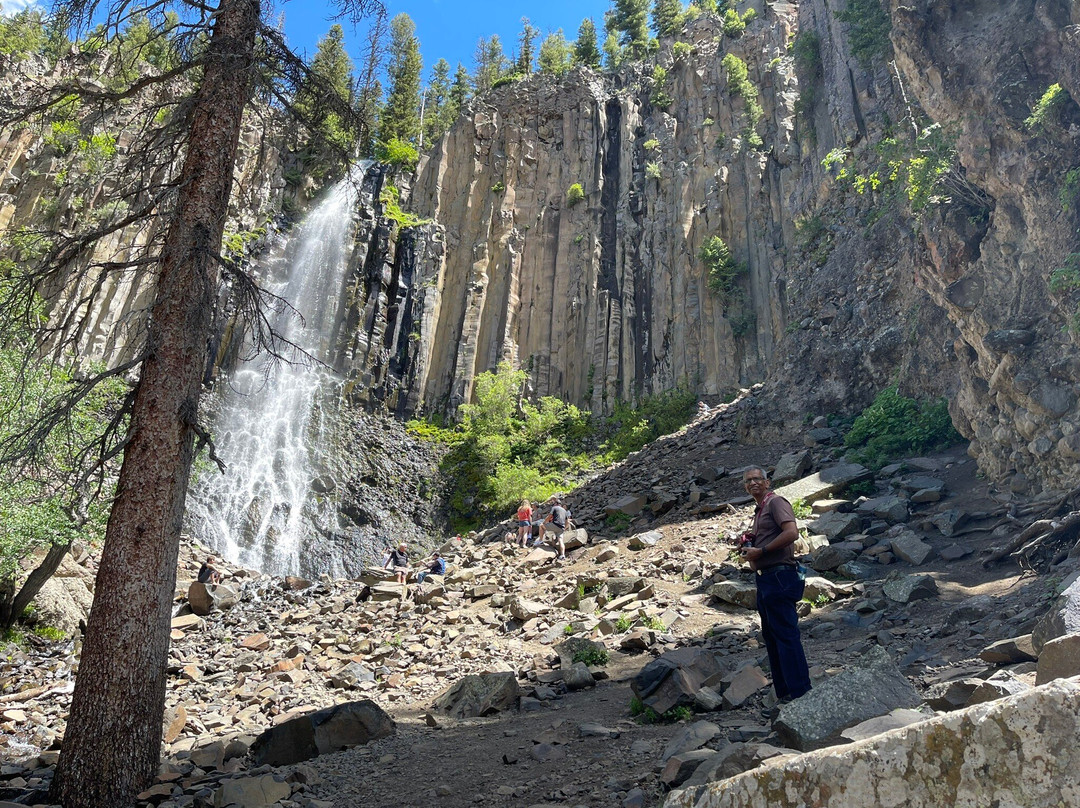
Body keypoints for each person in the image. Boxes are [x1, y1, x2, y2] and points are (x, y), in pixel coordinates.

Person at [740, 466, 811, 708]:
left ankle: (801, 694)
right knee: (772, 637)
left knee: (786, 636)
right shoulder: (759, 510)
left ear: (767, 482)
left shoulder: (776, 502)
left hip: (780, 577)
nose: (753, 483)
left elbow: (792, 532)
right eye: (748, 481)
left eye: (757, 479)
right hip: (765, 578)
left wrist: (762, 550)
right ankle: (785, 693)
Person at [538, 495, 573, 560]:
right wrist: (564, 528)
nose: (553, 504)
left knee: (541, 526)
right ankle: (562, 555)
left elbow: (549, 516)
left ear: (556, 503)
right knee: (561, 541)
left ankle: (540, 541)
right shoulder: (564, 511)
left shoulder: (555, 508)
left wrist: (544, 523)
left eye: (554, 503)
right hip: (561, 527)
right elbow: (567, 521)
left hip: (555, 525)